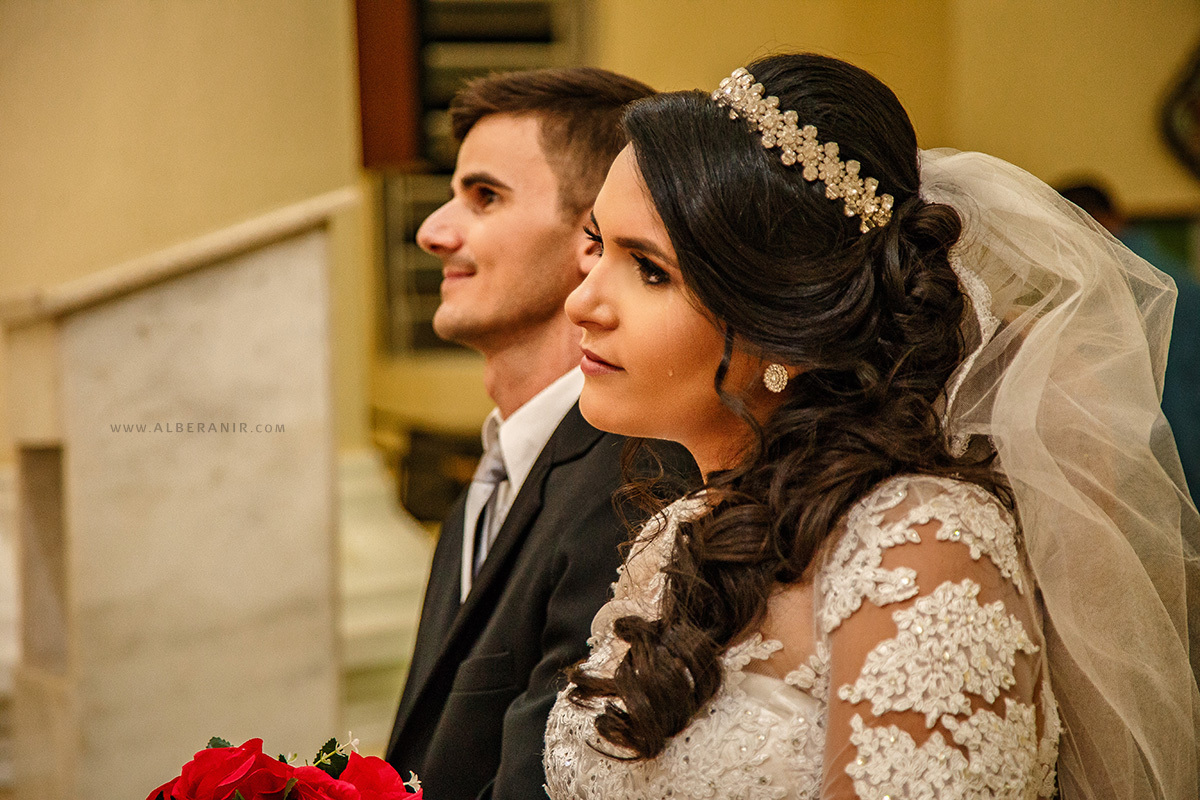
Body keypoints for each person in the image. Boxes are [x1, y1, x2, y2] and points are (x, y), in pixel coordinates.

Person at [542, 54, 1200, 799]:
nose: (583, 303)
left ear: (784, 325)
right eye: (598, 245)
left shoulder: (918, 549)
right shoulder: (678, 535)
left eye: (650, 269)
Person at [384, 67, 695, 800]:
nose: (433, 232)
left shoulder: (637, 484)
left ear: (596, 235)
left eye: (484, 196)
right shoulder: (487, 481)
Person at [1057, 180, 1200, 500]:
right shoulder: (1174, 274)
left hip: (1167, 458)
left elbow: (1166, 404)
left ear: (1097, 221)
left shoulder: (1115, 284)